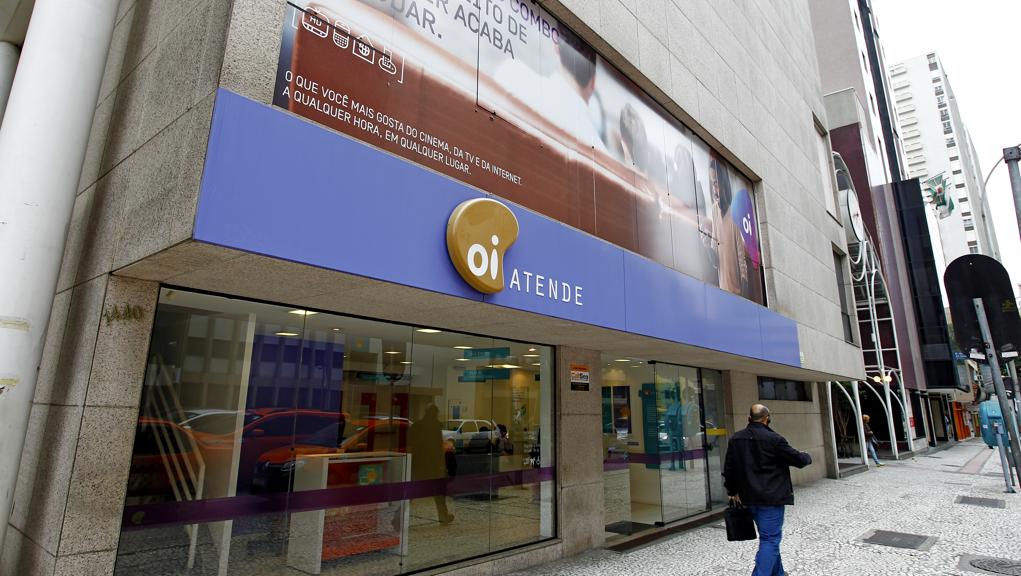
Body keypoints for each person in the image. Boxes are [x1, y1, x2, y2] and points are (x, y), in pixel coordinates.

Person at [724, 404, 812, 576]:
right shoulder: (774, 439)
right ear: (767, 419)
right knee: (770, 539)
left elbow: (729, 469)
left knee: (769, 538)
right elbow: (799, 460)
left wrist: (732, 491)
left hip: (748, 498)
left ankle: (778, 573)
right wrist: (807, 456)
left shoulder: (736, 438)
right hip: (770, 499)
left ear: (749, 418)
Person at [408, 404, 454, 524]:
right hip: (433, 465)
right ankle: (443, 516)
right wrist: (441, 464)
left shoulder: (416, 425)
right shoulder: (435, 426)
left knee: (412, 492)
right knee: (439, 493)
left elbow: (411, 444)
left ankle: (397, 517)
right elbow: (438, 448)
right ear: (435, 413)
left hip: (419, 464)